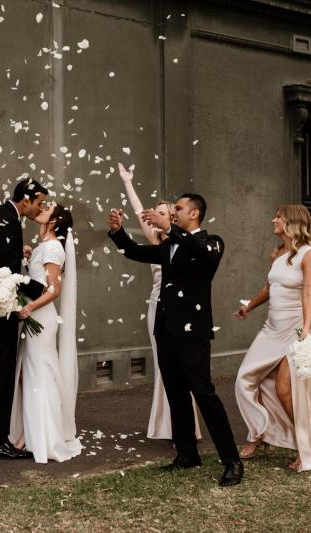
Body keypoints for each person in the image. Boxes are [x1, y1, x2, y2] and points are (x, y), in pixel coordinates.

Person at [107, 193, 243, 487]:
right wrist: (118, 232)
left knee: (204, 393)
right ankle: (187, 454)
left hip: (192, 332)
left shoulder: (211, 242)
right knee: (176, 394)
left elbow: (200, 251)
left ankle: (231, 460)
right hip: (166, 330)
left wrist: (169, 229)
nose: (173, 212)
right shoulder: (169, 244)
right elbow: (137, 252)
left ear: (194, 214)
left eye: (178, 209)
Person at [234, 204, 311, 472]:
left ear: (291, 222)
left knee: (285, 389)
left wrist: (306, 329)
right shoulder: (279, 254)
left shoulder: (310, 254)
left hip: (297, 327)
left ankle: (302, 448)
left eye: (278, 217)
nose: (273, 220)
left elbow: (309, 292)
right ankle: (261, 431)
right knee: (245, 379)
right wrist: (250, 306)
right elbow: (269, 288)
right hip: (272, 328)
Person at [117, 163, 201, 441]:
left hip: (180, 312)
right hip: (157, 308)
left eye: (166, 213)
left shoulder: (185, 243)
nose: (160, 217)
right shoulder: (155, 243)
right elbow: (138, 210)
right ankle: (166, 425)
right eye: (158, 214)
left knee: (181, 368)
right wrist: (128, 182)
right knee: (163, 367)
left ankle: (184, 428)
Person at [0, 178, 48, 460]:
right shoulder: (10, 221)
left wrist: (17, 256)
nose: (41, 208)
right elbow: (4, 268)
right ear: (26, 200)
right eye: (39, 203)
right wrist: (39, 289)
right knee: (2, 369)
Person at [9, 203, 82, 463]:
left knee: (40, 375)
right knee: (28, 374)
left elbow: (53, 290)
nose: (42, 207)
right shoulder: (43, 246)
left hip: (41, 317)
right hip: (35, 318)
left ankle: (41, 437)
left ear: (55, 221)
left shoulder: (52, 247)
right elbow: (38, 281)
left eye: (48, 208)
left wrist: (28, 307)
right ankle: (30, 432)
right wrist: (28, 259)